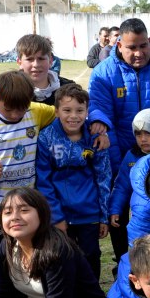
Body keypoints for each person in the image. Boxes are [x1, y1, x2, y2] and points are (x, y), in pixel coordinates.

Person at [89, 18, 150, 258]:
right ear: (119, 44)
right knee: (120, 212)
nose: (138, 52)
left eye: (143, 45)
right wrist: (116, 161)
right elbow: (102, 114)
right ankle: (124, 262)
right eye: (132, 47)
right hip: (122, 154)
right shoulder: (104, 72)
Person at [0, 71, 58, 275]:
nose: (16, 114)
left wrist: (96, 124)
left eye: (22, 109)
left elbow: (66, 111)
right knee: (2, 265)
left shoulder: (36, 111)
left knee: (31, 262)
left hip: (29, 206)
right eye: (10, 109)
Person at [35, 84, 112, 280]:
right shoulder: (46, 138)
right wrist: (56, 217)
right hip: (60, 216)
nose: (73, 116)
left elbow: (103, 178)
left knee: (91, 258)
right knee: (61, 260)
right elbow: (43, 182)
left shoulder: (95, 138)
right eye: (67, 110)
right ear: (56, 111)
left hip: (89, 214)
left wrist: (103, 216)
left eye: (80, 110)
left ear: (87, 111)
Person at [108, 108, 150, 246]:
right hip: (141, 214)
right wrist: (115, 209)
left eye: (148, 133)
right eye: (138, 134)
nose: (142, 139)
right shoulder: (131, 156)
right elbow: (122, 186)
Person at [14, 34, 74, 105]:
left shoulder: (69, 89)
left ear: (50, 61)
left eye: (41, 59)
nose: (36, 64)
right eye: (29, 59)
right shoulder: (12, 91)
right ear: (19, 62)